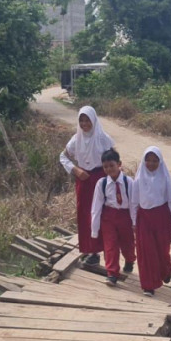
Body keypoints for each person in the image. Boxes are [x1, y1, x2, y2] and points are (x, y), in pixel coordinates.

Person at [59, 106, 114, 265]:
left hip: (101, 179)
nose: (84, 124)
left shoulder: (103, 139)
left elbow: (113, 159)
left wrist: (113, 176)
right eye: (81, 120)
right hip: (83, 179)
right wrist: (75, 170)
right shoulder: (76, 140)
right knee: (85, 215)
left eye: (87, 120)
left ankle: (109, 251)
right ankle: (91, 251)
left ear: (94, 120)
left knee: (103, 214)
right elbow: (63, 157)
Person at [131, 146, 171, 296]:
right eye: (148, 160)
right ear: (143, 161)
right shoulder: (138, 180)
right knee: (146, 251)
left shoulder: (165, 179)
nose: (151, 163)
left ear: (160, 162)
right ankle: (149, 285)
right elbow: (134, 203)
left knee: (162, 250)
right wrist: (133, 222)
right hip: (144, 219)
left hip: (162, 218)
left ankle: (165, 269)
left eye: (155, 160)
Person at [90, 149, 136, 286]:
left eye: (112, 165)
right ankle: (112, 273)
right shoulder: (101, 184)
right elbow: (96, 206)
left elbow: (134, 204)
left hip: (125, 216)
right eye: (105, 167)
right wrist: (94, 229)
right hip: (108, 217)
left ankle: (130, 259)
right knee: (110, 246)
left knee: (128, 244)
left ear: (119, 164)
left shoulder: (129, 182)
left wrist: (134, 221)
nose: (109, 169)